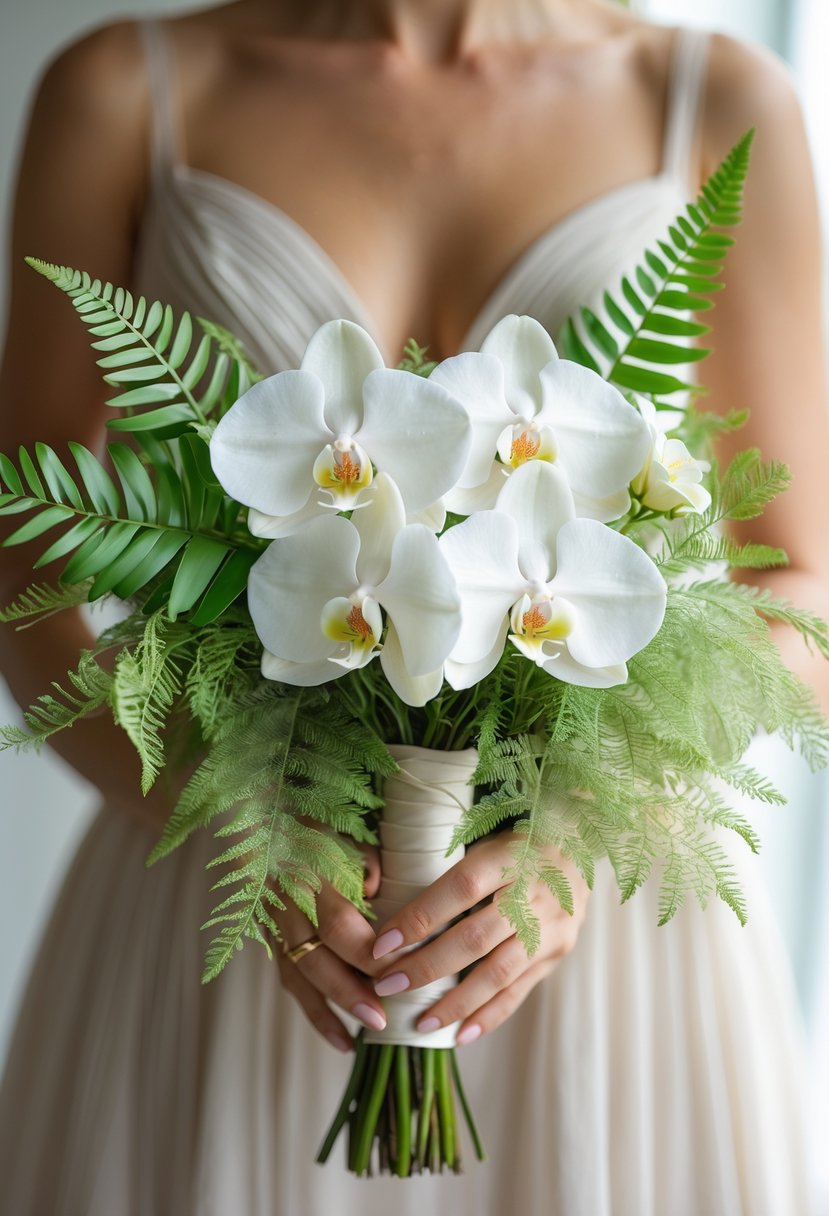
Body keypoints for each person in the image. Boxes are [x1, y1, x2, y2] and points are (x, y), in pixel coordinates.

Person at [1, 1, 827, 1212]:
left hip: (586, 935)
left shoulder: (710, 97)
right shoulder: (126, 89)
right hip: (236, 895)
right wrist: (234, 820)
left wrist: (583, 835)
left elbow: (800, 590)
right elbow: (26, 554)